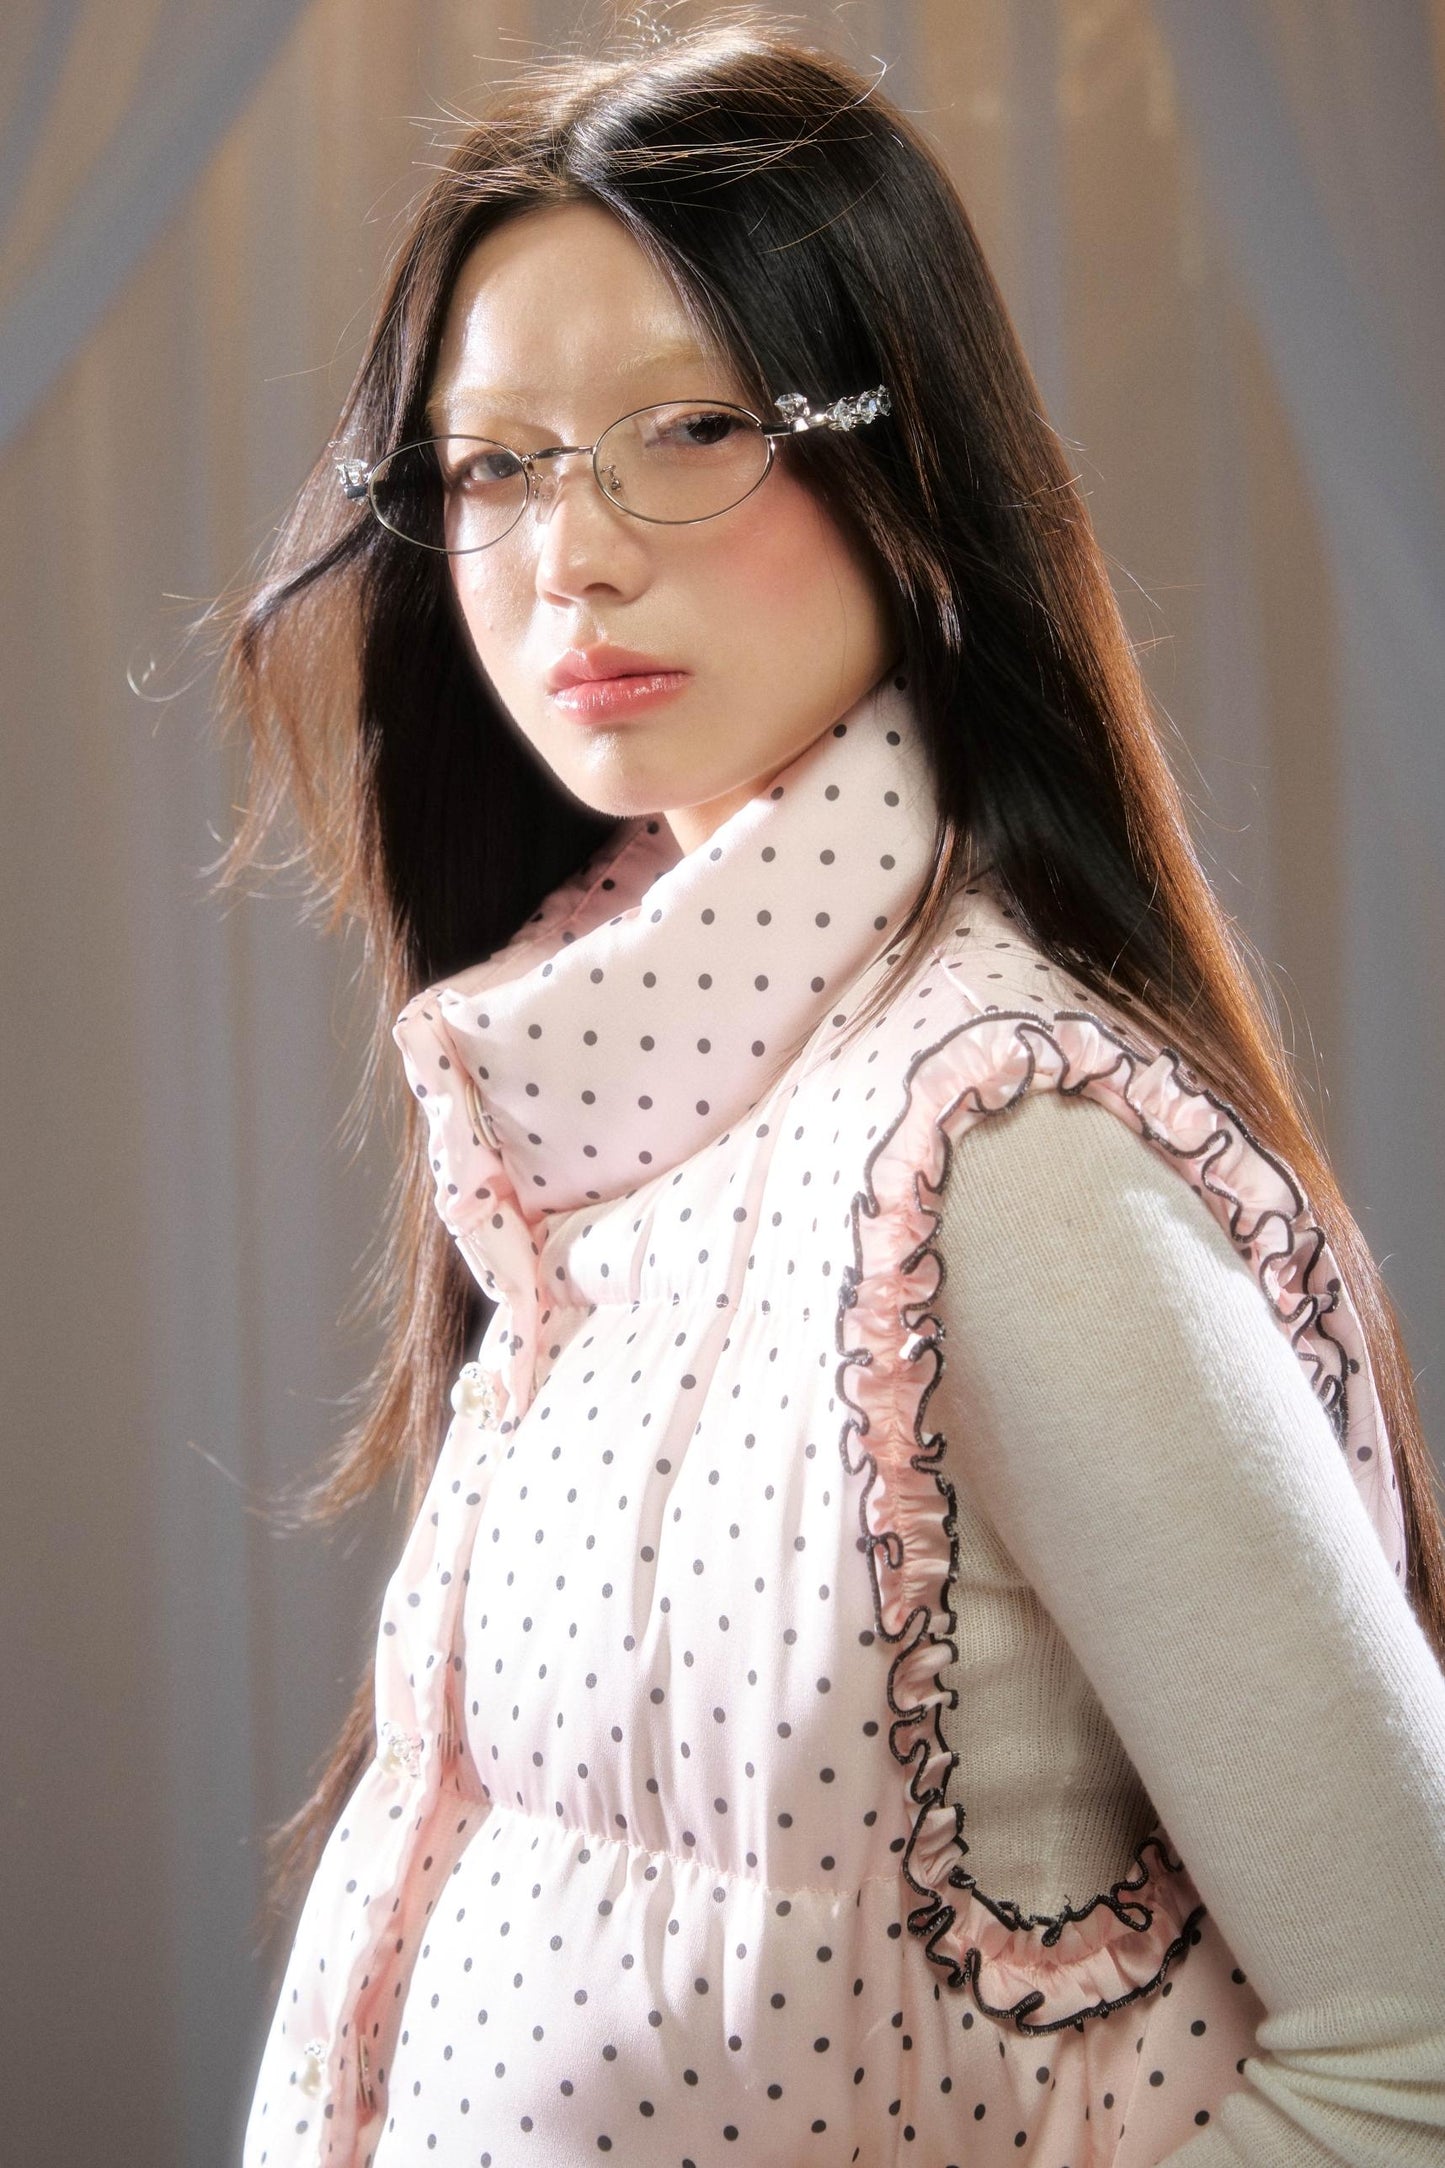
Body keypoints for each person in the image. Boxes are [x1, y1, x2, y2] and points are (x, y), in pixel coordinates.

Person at [221, 15, 1445, 2166]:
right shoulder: (619, 1098)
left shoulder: (999, 1147)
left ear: (908, 467)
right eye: (495, 464)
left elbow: (1415, 2041)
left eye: (691, 427)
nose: (571, 555)